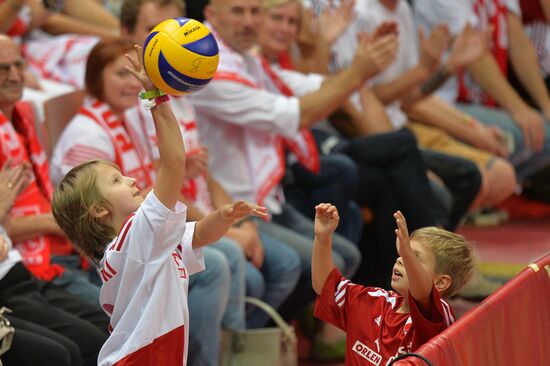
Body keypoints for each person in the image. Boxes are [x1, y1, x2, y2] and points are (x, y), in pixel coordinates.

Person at [51, 44, 268, 365]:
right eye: (116, 181)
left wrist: (223, 216)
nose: (131, 180)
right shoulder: (135, 239)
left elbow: (199, 235)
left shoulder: (140, 240)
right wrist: (155, 96)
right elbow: (174, 163)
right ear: (99, 210)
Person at [192, 0, 399, 321]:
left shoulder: (245, 59)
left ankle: (282, 331)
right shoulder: (207, 68)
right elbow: (294, 114)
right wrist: (358, 71)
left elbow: (309, 87)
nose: (248, 21)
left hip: (268, 197)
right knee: (304, 263)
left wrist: (361, 67)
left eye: (254, 11)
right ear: (210, 14)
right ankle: (252, 339)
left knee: (346, 254)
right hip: (237, 202)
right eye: (238, 10)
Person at [0, 34, 102, 304]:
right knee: (121, 315)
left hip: (70, 251)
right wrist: (53, 221)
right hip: (30, 264)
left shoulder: (26, 114)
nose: (13, 76)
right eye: (2, 68)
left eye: (18, 66)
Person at [311, 204, 477, 364]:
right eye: (403, 252)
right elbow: (325, 285)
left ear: (440, 282)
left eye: (414, 256)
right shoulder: (373, 300)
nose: (400, 258)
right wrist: (323, 237)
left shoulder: (439, 316)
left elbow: (423, 294)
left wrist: (406, 253)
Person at [414, 0, 550, 181]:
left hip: (481, 104)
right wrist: (519, 110)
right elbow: (475, 58)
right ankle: (490, 190)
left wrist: (546, 106)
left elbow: (519, 43)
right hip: (442, 104)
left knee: (539, 132)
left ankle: (500, 190)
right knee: (535, 135)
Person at [0, 156, 109, 366]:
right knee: (65, 352)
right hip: (8, 289)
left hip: (22, 275)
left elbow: (5, 232)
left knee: (107, 325)